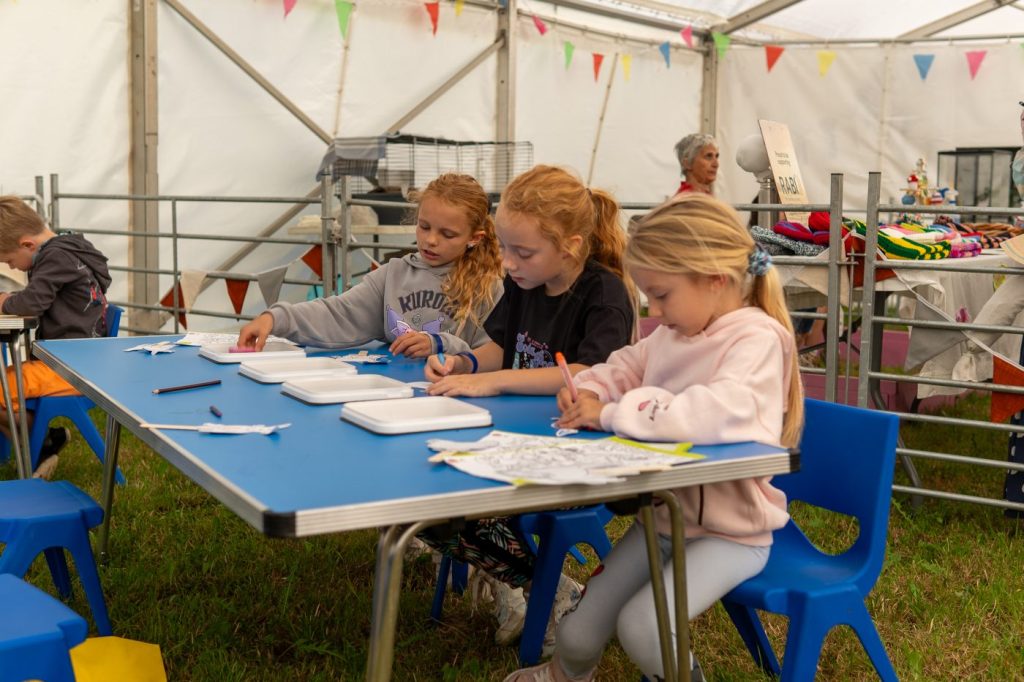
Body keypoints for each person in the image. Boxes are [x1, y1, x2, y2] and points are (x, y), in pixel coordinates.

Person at [504, 192, 803, 682]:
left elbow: (710, 412)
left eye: (661, 295)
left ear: (714, 279)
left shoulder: (757, 339)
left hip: (731, 536)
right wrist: (590, 388)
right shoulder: (674, 330)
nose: (656, 311)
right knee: (578, 631)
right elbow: (624, 366)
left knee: (642, 627)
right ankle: (564, 675)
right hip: (661, 524)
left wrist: (610, 414)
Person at [419, 164, 635, 652]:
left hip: (583, 455)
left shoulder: (605, 292)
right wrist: (463, 362)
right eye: (505, 249)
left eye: (523, 252)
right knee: (427, 505)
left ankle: (546, 590)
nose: (510, 264)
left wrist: (491, 382)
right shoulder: (523, 281)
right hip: (515, 436)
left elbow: (587, 372)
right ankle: (551, 589)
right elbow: (499, 344)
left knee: (462, 514)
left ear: (571, 246)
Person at [236, 173, 503, 357]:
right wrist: (275, 318)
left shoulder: (488, 287)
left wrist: (439, 343)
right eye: (424, 227)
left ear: (474, 238)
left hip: (454, 401)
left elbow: (493, 355)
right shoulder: (392, 275)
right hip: (393, 393)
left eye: (447, 234)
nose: (431, 240)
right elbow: (339, 313)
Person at [0, 196, 112, 479]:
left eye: (10, 261)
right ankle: (42, 438)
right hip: (73, 361)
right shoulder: (66, 250)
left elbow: (30, 304)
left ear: (27, 244)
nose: (13, 268)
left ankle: (43, 443)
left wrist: (4, 302)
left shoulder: (56, 256)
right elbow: (39, 296)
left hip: (71, 368)